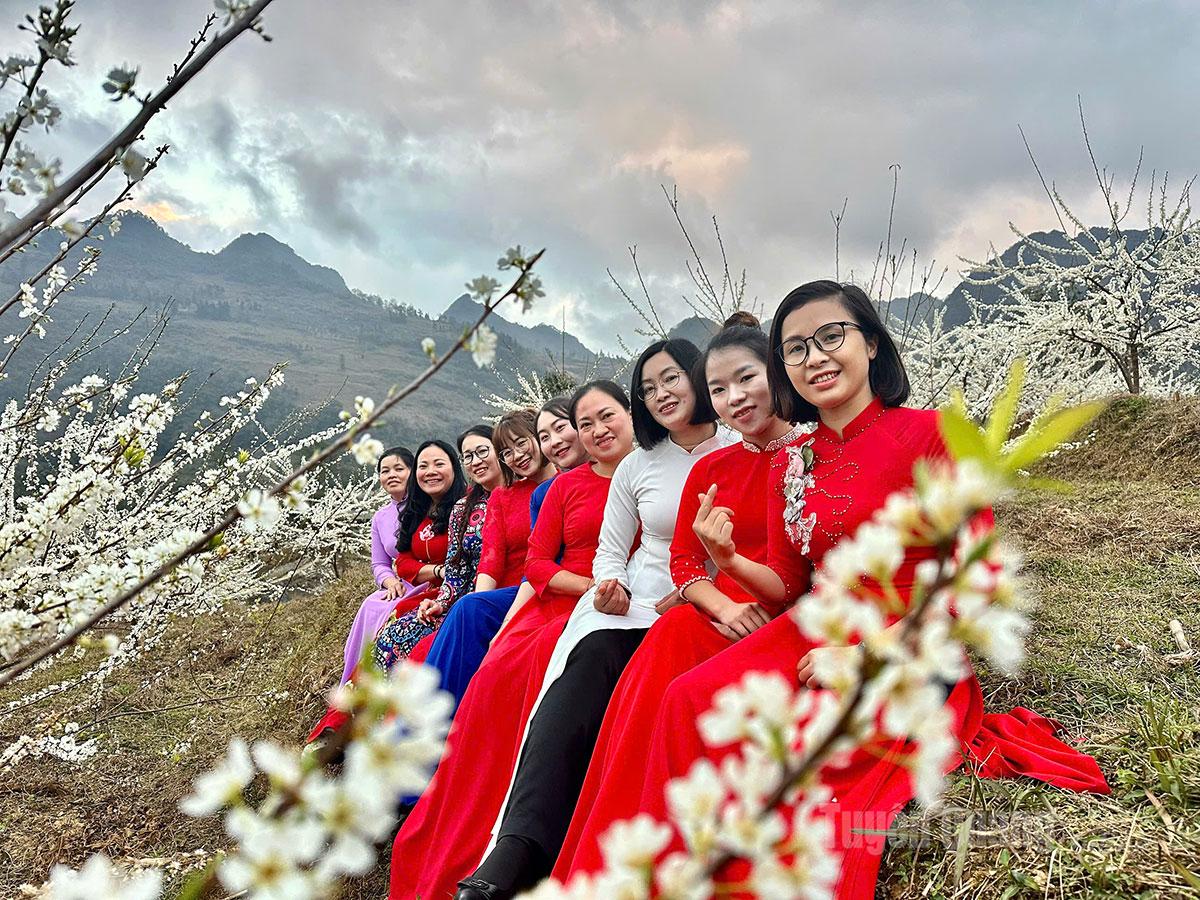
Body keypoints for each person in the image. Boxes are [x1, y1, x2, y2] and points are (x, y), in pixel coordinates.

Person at [635, 280, 1110, 898]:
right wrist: (726, 559)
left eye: (831, 336)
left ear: (874, 346)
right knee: (689, 699)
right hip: (817, 626)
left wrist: (866, 653)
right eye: (796, 348)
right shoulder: (794, 459)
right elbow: (785, 585)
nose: (815, 357)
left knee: (803, 758)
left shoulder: (934, 433)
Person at [457, 339, 731, 899]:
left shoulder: (740, 444)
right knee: (580, 673)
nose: (661, 394)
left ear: (702, 378)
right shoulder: (638, 465)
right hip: (639, 596)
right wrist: (613, 586)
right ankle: (520, 844)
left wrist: (701, 589)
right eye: (649, 387)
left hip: (711, 596)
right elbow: (610, 551)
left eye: (672, 379)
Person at [553, 314, 813, 879]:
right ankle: (619, 848)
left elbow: (803, 569)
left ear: (779, 371)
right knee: (664, 645)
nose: (734, 397)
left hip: (790, 612)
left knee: (684, 683)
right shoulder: (713, 467)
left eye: (746, 379)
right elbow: (684, 560)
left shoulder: (815, 454)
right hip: (720, 609)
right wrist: (719, 604)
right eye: (721, 389)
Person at [389, 382, 636, 900]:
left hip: (623, 601)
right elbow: (523, 564)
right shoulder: (548, 492)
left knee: (520, 654)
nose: (569, 437)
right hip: (564, 592)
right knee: (482, 658)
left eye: (560, 428)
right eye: (544, 434)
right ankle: (420, 772)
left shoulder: (650, 472)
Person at [306, 439, 467, 744]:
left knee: (397, 633)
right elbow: (395, 560)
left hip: (447, 594)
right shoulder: (415, 512)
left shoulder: (466, 507)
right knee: (380, 622)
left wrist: (439, 578)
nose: (430, 472)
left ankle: (373, 724)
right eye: (424, 466)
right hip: (423, 588)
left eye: (439, 464)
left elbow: (467, 561)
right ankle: (343, 716)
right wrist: (417, 574)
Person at [418, 407, 558, 705]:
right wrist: (480, 601)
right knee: (468, 611)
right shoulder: (503, 496)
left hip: (549, 587)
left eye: (522, 443)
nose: (517, 455)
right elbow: (490, 559)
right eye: (507, 451)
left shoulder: (566, 483)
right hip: (509, 592)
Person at [372, 426, 505, 669]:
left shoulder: (525, 495)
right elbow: (453, 568)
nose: (476, 462)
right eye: (469, 456)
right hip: (454, 593)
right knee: (389, 634)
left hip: (494, 593)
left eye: (483, 452)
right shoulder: (462, 509)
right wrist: (441, 597)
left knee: (422, 650)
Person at [337, 446, 414, 684]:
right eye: (385, 471)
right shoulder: (380, 517)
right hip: (399, 584)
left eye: (399, 469)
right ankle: (357, 682)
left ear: (413, 471)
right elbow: (379, 563)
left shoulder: (426, 506)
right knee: (371, 605)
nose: (391, 475)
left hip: (426, 581)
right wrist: (389, 580)